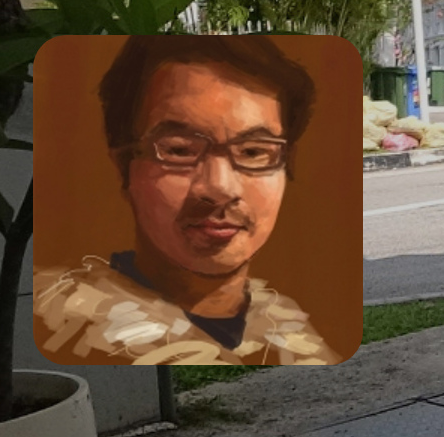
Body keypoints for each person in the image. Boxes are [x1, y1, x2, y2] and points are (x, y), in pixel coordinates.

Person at [33, 36, 342, 366]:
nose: (219, 187)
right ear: (123, 168)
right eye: (179, 150)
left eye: (253, 152)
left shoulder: (293, 335)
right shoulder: (67, 323)